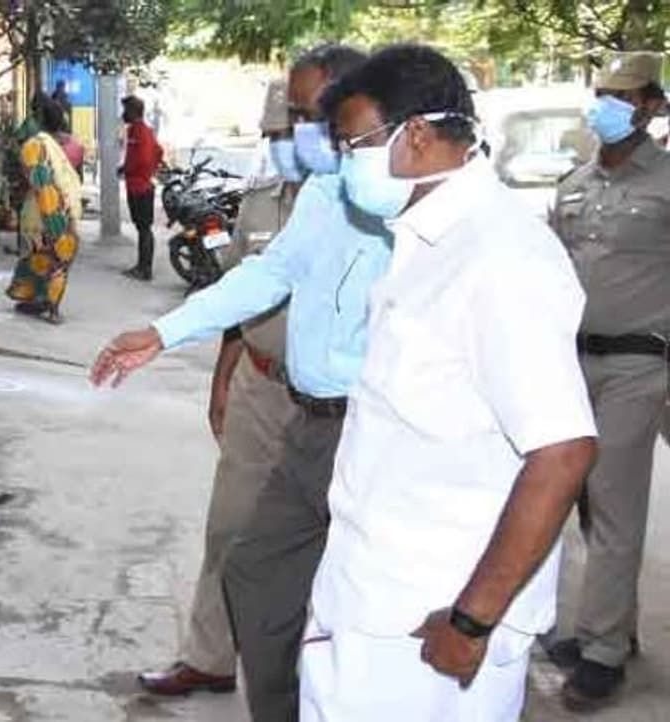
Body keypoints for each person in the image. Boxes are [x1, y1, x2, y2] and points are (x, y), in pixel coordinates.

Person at [300, 43, 596, 720]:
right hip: (377, 595)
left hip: (430, 622)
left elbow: (562, 451)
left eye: (354, 144)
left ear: (416, 135)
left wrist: (471, 619)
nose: (345, 163)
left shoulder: (500, 257)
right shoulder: (425, 241)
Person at [92, 45, 383, 720]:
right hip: (302, 410)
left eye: (311, 116)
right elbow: (267, 274)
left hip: (371, 425)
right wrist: (162, 333)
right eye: (293, 118)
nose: (300, 133)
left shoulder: (405, 204)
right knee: (249, 563)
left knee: (351, 596)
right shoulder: (326, 193)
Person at [135, 77, 302, 699]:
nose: (282, 144)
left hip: (335, 405)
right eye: (273, 134)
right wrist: (222, 379)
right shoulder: (260, 201)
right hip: (261, 384)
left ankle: (307, 679)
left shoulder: (358, 207)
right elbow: (238, 297)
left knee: (320, 542)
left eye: (293, 131)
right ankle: (209, 656)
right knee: (229, 526)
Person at [544, 51, 670, 711]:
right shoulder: (574, 182)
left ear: (652, 105)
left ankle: (602, 653)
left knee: (615, 505)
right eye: (602, 94)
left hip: (637, 363)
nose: (608, 106)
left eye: (623, 96)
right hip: (571, 363)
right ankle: (611, 625)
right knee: (581, 504)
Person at [5, 99, 83, 325]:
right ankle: (47, 305)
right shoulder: (70, 146)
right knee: (57, 261)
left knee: (39, 258)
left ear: (38, 119)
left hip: (41, 211)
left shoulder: (34, 145)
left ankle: (44, 304)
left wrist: (53, 219)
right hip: (61, 209)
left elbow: (38, 182)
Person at [119, 95, 164, 281]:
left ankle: (145, 269)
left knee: (144, 228)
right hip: (137, 185)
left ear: (133, 111)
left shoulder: (141, 131)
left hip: (140, 187)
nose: (123, 114)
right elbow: (157, 152)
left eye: (125, 110)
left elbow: (145, 158)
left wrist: (132, 170)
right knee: (142, 228)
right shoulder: (137, 130)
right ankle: (141, 266)